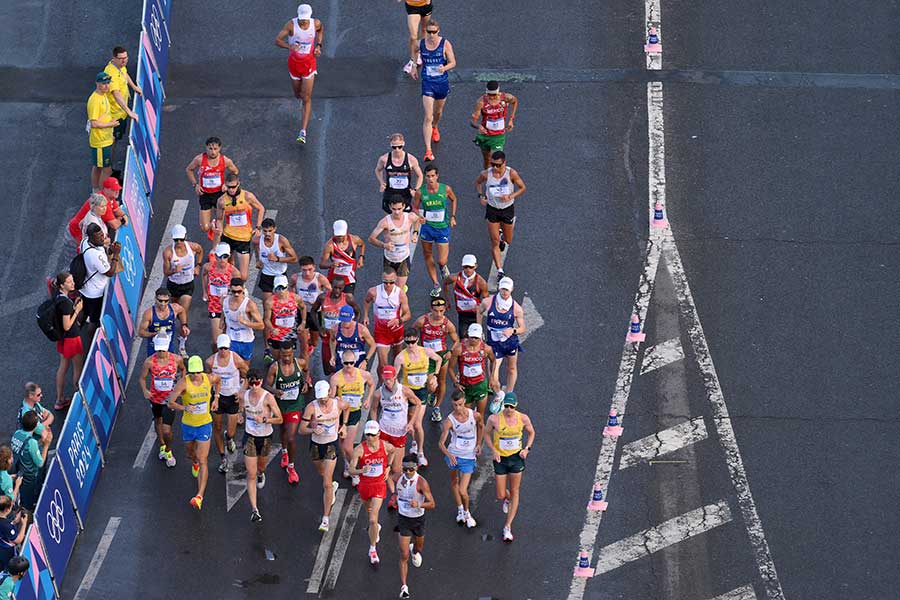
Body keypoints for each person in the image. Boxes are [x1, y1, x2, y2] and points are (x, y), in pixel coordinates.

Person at [166, 356, 221, 511]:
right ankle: (194, 462)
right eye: (193, 372)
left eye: (198, 372)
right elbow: (170, 401)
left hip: (204, 424)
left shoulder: (208, 378)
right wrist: (184, 408)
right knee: (191, 454)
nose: (196, 375)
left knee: (204, 459)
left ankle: (199, 496)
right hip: (188, 425)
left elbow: (219, 381)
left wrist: (216, 398)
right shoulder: (184, 383)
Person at [483, 392, 534, 542]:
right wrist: (493, 450)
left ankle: (507, 526)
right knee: (500, 494)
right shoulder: (494, 419)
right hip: (501, 459)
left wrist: (527, 449)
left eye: (511, 406)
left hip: (516, 458)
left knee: (515, 490)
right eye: (506, 406)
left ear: (516, 405)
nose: (509, 409)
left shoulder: (523, 418)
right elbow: (486, 434)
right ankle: (508, 500)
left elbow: (531, 433)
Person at [299, 381, 347, 532]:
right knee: (322, 473)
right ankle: (331, 486)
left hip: (331, 444)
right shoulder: (311, 407)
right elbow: (301, 430)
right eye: (320, 399)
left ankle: (325, 519)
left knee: (326, 482)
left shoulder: (337, 403)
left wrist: (344, 425)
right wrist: (313, 430)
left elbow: (348, 407)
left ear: (329, 393)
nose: (323, 401)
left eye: (325, 398)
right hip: (315, 445)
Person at [348, 420, 398, 566]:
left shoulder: (385, 446)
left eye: (372, 435)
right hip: (364, 485)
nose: (369, 437)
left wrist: (388, 466)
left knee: (372, 519)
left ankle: (372, 549)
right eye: (367, 434)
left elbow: (393, 450)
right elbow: (351, 469)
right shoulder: (360, 449)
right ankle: (375, 528)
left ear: (378, 434)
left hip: (378, 485)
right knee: (369, 512)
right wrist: (360, 471)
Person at [371, 366, 420, 509]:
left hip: (399, 433)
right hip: (385, 431)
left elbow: (417, 403)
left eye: (390, 379)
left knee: (397, 469)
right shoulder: (378, 394)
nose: (388, 382)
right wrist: (375, 425)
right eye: (385, 379)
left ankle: (399, 493)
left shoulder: (403, 390)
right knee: (386, 466)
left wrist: (411, 423)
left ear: (395, 377)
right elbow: (374, 409)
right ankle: (394, 495)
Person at [275, 3, 323, 144]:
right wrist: (290, 46)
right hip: (294, 65)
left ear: (310, 17)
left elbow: (320, 31)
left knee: (306, 97)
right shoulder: (291, 25)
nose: (303, 22)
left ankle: (302, 132)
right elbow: (277, 40)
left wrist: (319, 46)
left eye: (305, 19)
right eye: (301, 19)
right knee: (298, 95)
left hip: (308, 65)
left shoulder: (316, 23)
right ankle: (302, 101)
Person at [408, 20, 456, 161]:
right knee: (428, 116)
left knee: (438, 112)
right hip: (428, 83)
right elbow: (413, 49)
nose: (431, 34)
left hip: (441, 83)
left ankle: (435, 126)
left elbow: (453, 62)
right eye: (429, 31)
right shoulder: (421, 44)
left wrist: (444, 68)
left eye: (434, 32)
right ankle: (428, 151)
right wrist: (414, 65)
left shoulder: (445, 44)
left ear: (438, 31)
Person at [393, 328, 442, 465]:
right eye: (407, 342)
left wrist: (435, 376)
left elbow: (438, 359)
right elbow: (394, 376)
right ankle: (414, 442)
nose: (410, 345)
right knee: (410, 423)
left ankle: (420, 452)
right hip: (407, 392)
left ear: (417, 340)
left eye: (413, 342)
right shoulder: (401, 357)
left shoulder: (425, 351)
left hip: (421, 391)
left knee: (417, 423)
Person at [475, 151, 527, 280]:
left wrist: (510, 196)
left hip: (507, 209)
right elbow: (477, 183)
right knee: (494, 242)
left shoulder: (511, 173)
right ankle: (500, 271)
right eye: (493, 164)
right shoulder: (486, 174)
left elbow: (522, 187)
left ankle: (502, 236)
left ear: (504, 163)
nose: (495, 167)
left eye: (498, 165)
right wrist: (481, 196)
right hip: (492, 209)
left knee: (508, 240)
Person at [241, 369, 283, 522]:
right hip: (250, 436)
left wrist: (265, 420)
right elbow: (240, 407)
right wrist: (240, 415)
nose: (254, 386)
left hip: (265, 437)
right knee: (250, 474)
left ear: (261, 381)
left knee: (261, 468)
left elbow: (280, 419)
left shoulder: (268, 398)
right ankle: (255, 509)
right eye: (251, 383)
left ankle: (261, 474)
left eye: (257, 383)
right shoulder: (243, 395)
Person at [265, 342, 309, 484]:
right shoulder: (275, 368)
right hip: (280, 405)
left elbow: (307, 370)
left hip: (295, 405)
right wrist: (275, 391)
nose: (287, 358)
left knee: (291, 437)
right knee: (283, 431)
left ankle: (291, 467)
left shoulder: (300, 363)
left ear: (293, 352)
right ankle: (284, 452)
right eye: (284, 355)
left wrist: (306, 383)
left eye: (289, 355)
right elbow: (266, 385)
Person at [330, 349, 376, 484]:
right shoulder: (336, 378)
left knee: (348, 446)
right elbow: (332, 396)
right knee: (342, 442)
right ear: (342, 362)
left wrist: (368, 398)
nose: (349, 366)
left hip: (354, 412)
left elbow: (372, 384)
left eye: (351, 363)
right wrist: (335, 399)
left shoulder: (363, 374)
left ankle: (354, 470)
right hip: (340, 413)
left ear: (355, 361)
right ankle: (346, 462)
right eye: (346, 363)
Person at [139, 334, 185, 468]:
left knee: (167, 430)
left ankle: (169, 451)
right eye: (158, 350)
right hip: (155, 398)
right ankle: (162, 446)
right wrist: (145, 390)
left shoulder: (176, 359)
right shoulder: (149, 362)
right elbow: (142, 378)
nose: (161, 353)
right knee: (158, 421)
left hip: (169, 400)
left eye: (163, 350)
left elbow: (183, 370)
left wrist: (181, 386)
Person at [438, 390, 483, 528]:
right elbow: (440, 443)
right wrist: (449, 454)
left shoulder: (475, 415)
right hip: (454, 455)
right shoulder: (449, 421)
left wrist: (479, 444)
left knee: (463, 490)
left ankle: (467, 512)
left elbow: (481, 427)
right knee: (454, 482)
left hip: (469, 456)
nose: (458, 408)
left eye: (460, 404)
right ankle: (460, 509)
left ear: (464, 402)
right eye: (455, 405)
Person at [394, 454, 435, 599]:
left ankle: (414, 549)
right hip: (403, 519)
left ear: (416, 467)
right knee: (403, 555)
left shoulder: (421, 483)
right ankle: (404, 587)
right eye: (405, 469)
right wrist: (394, 496)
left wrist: (419, 504)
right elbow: (390, 483)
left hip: (418, 520)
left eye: (410, 469)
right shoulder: (398, 477)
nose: (407, 472)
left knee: (418, 549)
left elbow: (432, 503)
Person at [206, 334, 249, 474]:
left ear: (229, 347)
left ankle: (229, 438)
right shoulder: (211, 362)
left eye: (225, 348)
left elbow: (248, 375)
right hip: (218, 398)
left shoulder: (235, 359)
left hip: (232, 398)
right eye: (221, 348)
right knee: (217, 427)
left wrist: (241, 391)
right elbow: (208, 378)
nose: (223, 351)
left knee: (231, 431)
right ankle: (223, 458)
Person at [413, 296, 459, 421]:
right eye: (436, 311)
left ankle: (437, 408)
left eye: (441, 311)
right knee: (430, 384)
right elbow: (412, 332)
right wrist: (415, 347)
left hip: (442, 356)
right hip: (427, 358)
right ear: (431, 310)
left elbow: (456, 340)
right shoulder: (423, 321)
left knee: (442, 381)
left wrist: (450, 351)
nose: (439, 314)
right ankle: (432, 393)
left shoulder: (447, 324)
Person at [213, 173, 266, 281]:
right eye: (228, 187)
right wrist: (219, 231)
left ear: (238, 184)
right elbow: (219, 219)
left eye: (233, 187)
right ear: (225, 186)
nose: (231, 190)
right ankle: (231, 292)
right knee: (227, 268)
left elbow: (261, 208)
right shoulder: (221, 201)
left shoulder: (247, 196)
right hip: (228, 237)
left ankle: (240, 289)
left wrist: (258, 227)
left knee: (243, 276)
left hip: (243, 239)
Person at [414, 163, 457, 295]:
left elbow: (454, 199)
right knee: (427, 254)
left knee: (442, 260)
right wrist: (419, 216)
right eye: (428, 176)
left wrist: (453, 217)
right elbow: (415, 207)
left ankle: (443, 267)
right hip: (427, 227)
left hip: (442, 228)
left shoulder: (446, 189)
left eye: (433, 176)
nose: (430, 179)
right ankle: (436, 283)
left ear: (437, 176)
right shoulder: (421, 192)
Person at [185, 137, 240, 238]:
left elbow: (235, 171)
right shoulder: (200, 159)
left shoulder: (225, 160)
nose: (213, 152)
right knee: (204, 228)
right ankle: (212, 225)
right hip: (204, 194)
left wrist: (226, 185)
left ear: (219, 148)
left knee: (220, 224)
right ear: (206, 148)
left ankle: (216, 249)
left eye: (215, 149)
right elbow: (189, 169)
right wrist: (195, 185)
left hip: (219, 194)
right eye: (210, 149)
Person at [478, 277, 525, 392]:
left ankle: (509, 394)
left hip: (509, 342)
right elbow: (479, 312)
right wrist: (479, 329)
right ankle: (498, 395)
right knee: (494, 375)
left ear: (512, 290)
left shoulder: (516, 308)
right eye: (503, 289)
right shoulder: (488, 302)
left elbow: (523, 328)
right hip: (494, 343)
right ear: (499, 288)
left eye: (507, 290)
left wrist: (512, 330)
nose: (504, 292)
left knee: (512, 369)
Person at [363, 268, 411, 378]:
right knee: (383, 364)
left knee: (396, 359)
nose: (388, 285)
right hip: (381, 332)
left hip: (396, 331)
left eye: (391, 282)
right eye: (385, 282)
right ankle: (382, 386)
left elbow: (408, 314)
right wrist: (365, 315)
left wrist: (398, 320)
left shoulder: (400, 294)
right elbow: (366, 301)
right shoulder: (373, 292)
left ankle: (394, 381)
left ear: (395, 280)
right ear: (382, 280)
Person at [368, 197, 422, 291]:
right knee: (389, 288)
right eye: (394, 209)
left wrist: (415, 233)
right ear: (390, 207)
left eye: (399, 209)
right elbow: (371, 239)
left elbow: (417, 220)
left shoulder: (409, 217)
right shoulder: (385, 222)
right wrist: (384, 245)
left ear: (404, 206)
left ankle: (400, 299)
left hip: (404, 258)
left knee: (399, 290)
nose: (397, 212)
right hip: (389, 258)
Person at [163, 226, 202, 356]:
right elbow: (166, 272)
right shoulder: (168, 252)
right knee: (171, 314)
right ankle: (168, 340)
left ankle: (182, 342)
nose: (178, 242)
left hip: (187, 285)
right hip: (173, 285)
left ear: (185, 237)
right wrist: (174, 270)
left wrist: (198, 266)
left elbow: (201, 250)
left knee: (182, 312)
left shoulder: (192, 247)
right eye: (176, 240)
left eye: (180, 239)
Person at [78, 223, 121, 340]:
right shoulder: (95, 255)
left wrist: (110, 250)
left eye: (102, 235)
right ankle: (90, 342)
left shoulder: (85, 242)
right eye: (99, 237)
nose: (102, 238)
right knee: (94, 320)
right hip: (95, 293)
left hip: (86, 288)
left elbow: (102, 249)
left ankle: (75, 330)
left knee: (85, 310)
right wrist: (116, 254)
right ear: (91, 237)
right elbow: (110, 272)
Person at [49, 272, 84, 410]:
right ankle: (79, 396)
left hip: (63, 339)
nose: (73, 283)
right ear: (62, 285)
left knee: (63, 367)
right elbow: (67, 325)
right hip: (72, 338)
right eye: (69, 282)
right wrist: (77, 310)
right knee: (77, 367)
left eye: (72, 280)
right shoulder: (65, 304)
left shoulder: (58, 297)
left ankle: (59, 400)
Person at [312, 278, 359, 375]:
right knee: (328, 365)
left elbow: (357, 312)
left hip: (342, 337)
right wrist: (319, 328)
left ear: (343, 288)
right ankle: (332, 382)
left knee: (344, 362)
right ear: (331, 286)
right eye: (335, 288)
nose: (337, 291)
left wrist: (352, 327)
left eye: (340, 288)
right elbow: (313, 311)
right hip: (327, 337)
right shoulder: (322, 298)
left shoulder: (347, 298)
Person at [104, 45, 142, 163]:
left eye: (126, 58)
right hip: (115, 115)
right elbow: (116, 94)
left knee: (116, 138)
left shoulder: (121, 67)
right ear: (114, 58)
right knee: (112, 140)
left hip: (122, 114)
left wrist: (134, 87)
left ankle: (109, 164)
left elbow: (125, 74)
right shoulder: (111, 73)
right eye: (121, 58)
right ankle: (107, 165)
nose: (124, 61)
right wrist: (129, 112)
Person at [450, 323, 497, 416]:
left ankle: (479, 430)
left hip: (480, 385)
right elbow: (450, 368)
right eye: (472, 337)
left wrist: (492, 377)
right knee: (466, 415)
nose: (473, 340)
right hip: (465, 386)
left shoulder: (486, 349)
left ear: (480, 336)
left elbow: (493, 361)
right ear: (468, 335)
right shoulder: (459, 349)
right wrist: (456, 383)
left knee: (480, 416)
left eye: (476, 338)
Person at [470, 80, 519, 168]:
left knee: (495, 161)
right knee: (487, 160)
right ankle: (488, 180)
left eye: (494, 95)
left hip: (498, 136)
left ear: (498, 92)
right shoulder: (481, 102)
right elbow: (473, 121)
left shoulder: (506, 98)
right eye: (489, 95)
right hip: (485, 135)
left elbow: (515, 102)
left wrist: (511, 119)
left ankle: (497, 180)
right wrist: (478, 126)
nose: (492, 97)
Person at [291, 256, 331, 354]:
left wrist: (323, 302)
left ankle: (310, 341)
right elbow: (290, 287)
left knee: (315, 342)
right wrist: (293, 298)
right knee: (302, 342)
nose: (307, 273)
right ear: (300, 269)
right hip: (301, 311)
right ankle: (305, 346)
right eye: (304, 270)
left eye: (310, 269)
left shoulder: (320, 278)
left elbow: (331, 292)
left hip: (316, 312)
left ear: (314, 267)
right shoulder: (295, 278)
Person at [67, 179, 128, 243]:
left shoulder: (109, 197)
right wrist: (122, 220)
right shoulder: (103, 204)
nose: (117, 192)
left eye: (118, 189)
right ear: (105, 189)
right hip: (76, 232)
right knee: (77, 251)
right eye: (113, 190)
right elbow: (114, 225)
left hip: (84, 232)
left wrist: (123, 216)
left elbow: (117, 210)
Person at [374, 134, 424, 213]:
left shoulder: (411, 159)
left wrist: (416, 190)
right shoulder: (384, 159)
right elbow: (377, 170)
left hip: (405, 193)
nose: (397, 149)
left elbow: (420, 175)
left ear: (403, 144)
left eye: (400, 147)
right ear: (390, 145)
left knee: (405, 216)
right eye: (394, 147)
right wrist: (381, 182)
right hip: (390, 192)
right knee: (389, 216)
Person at [253, 218, 299, 305]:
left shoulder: (282, 241)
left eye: (270, 231)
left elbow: (295, 259)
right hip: (267, 275)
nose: (267, 234)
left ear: (275, 229)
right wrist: (258, 260)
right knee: (267, 304)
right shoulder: (257, 240)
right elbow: (257, 250)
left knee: (282, 303)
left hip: (280, 275)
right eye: (265, 231)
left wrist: (277, 259)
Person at [263, 275, 307, 364]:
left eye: (283, 288)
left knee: (288, 357)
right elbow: (266, 319)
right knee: (277, 358)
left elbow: (303, 308)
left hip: (290, 333)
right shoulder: (270, 302)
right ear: (274, 289)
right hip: (276, 334)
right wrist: (272, 329)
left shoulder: (295, 298)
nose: (281, 291)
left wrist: (303, 322)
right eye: (278, 288)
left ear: (287, 286)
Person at [87, 71, 119, 190]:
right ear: (97, 84)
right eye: (104, 83)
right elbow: (94, 123)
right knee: (106, 169)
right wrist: (111, 124)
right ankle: (102, 193)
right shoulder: (95, 100)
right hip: (100, 141)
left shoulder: (103, 95)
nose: (107, 86)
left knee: (98, 166)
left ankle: (96, 190)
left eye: (108, 83)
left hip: (104, 139)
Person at [443, 254, 488, 337]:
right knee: (463, 339)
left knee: (476, 338)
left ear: (475, 266)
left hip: (475, 315)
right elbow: (445, 283)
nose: (468, 269)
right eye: (465, 267)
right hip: (462, 314)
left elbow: (486, 300)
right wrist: (447, 300)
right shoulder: (454, 278)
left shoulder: (481, 282)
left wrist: (480, 307)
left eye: (470, 267)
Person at [10, 412, 49, 510]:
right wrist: (46, 445)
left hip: (18, 471)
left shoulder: (16, 433)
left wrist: (39, 443)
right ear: (35, 426)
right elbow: (40, 463)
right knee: (28, 505)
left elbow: (26, 449)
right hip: (29, 477)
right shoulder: (32, 442)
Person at [202, 243, 237, 352]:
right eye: (220, 257)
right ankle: (215, 357)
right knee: (216, 341)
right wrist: (204, 292)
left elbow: (240, 290)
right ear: (216, 256)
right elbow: (204, 275)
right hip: (214, 306)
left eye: (225, 257)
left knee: (228, 340)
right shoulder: (208, 267)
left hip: (228, 308)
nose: (222, 260)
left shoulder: (234, 272)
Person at [137, 287, 189, 358]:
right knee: (153, 367)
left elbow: (182, 311)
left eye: (166, 301)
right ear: (155, 299)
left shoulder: (175, 308)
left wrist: (184, 325)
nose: (163, 304)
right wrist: (155, 334)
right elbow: (141, 333)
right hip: (154, 347)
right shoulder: (149, 314)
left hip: (168, 347)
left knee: (170, 367)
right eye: (160, 301)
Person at [222, 277, 265, 361]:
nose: (236, 294)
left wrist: (244, 322)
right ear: (230, 288)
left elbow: (261, 325)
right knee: (232, 364)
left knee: (244, 369)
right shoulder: (224, 300)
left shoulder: (249, 304)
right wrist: (222, 321)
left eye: (239, 291)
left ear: (243, 289)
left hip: (246, 340)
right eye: (234, 292)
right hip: (231, 339)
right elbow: (224, 310)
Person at [319, 219, 366, 294]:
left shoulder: (354, 239)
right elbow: (321, 265)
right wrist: (331, 265)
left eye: (341, 236)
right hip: (334, 280)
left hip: (349, 278)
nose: (339, 238)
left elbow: (362, 245)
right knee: (335, 302)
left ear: (346, 232)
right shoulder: (330, 246)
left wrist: (361, 257)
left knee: (348, 300)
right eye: (337, 236)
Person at [329, 305, 375, 372]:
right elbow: (332, 340)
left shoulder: (361, 329)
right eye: (343, 320)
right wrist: (333, 355)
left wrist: (366, 361)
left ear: (352, 317)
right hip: (342, 362)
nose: (345, 323)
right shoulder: (335, 329)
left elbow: (373, 345)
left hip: (358, 362)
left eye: (347, 320)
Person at [400, 0, 433, 74]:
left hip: (426, 6)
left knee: (424, 30)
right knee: (413, 36)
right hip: (412, 7)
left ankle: (420, 53)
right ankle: (413, 59)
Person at [0, 497, 27, 569]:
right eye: (11, 506)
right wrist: (24, 524)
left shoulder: (6, 524)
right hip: (5, 553)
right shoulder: (6, 525)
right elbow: (18, 540)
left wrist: (14, 522)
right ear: (7, 510)